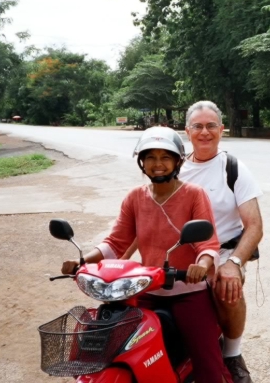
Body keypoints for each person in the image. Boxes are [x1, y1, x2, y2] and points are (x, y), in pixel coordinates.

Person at [61, 127, 233, 383]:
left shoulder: (194, 194)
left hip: (187, 293)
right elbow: (116, 242)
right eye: (151, 157)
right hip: (144, 292)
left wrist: (202, 263)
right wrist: (83, 261)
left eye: (165, 157)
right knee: (115, 349)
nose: (158, 164)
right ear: (142, 162)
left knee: (207, 362)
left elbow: (206, 243)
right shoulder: (135, 198)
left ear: (177, 161)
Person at [182, 101, 263, 383]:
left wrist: (234, 263)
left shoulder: (233, 168)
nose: (205, 132)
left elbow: (254, 226)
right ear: (187, 131)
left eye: (211, 125)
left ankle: (232, 355)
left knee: (228, 289)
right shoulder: (174, 169)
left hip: (225, 251)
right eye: (198, 126)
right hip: (185, 253)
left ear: (221, 130)